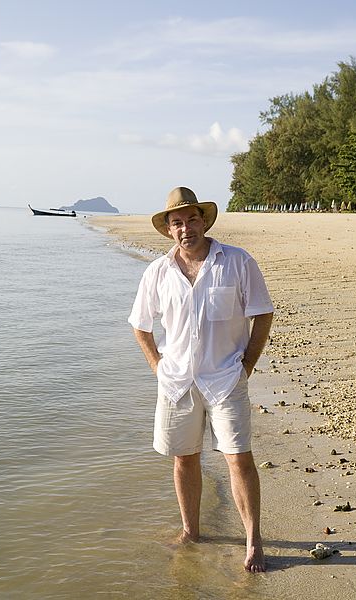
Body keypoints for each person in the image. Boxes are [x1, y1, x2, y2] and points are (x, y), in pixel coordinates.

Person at [128, 186, 274, 573]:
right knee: (183, 460)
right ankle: (190, 531)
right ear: (169, 229)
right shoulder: (157, 272)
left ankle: (253, 540)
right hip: (176, 382)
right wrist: (158, 366)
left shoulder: (238, 262)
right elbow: (140, 327)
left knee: (239, 459)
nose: (185, 227)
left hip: (226, 379)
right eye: (177, 222)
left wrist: (247, 366)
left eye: (192, 219)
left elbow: (263, 314)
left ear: (204, 221)